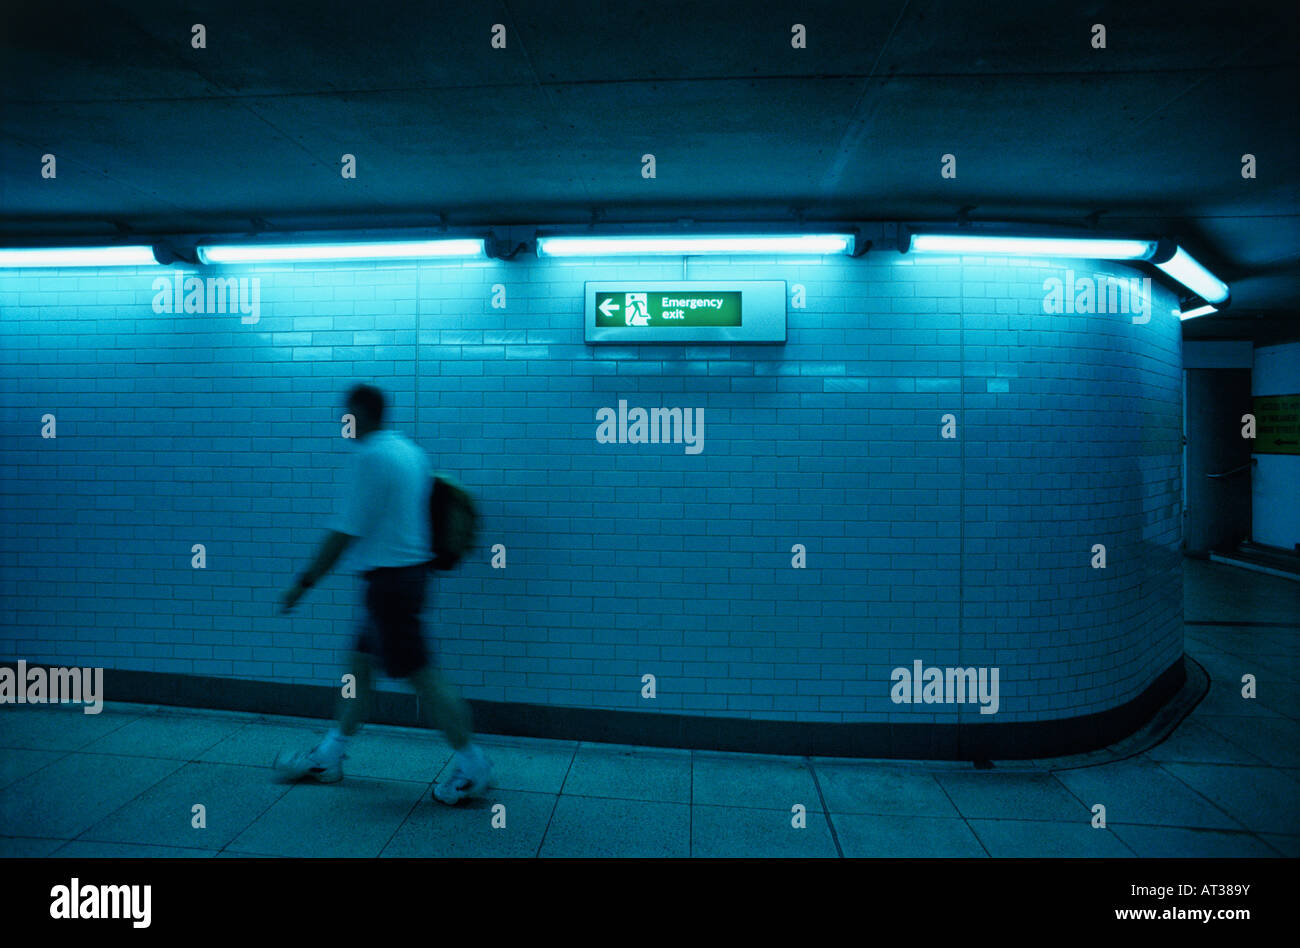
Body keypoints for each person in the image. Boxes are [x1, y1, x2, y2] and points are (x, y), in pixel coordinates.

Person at [274, 383, 492, 804]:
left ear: (363, 414)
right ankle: (329, 756)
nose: (343, 422)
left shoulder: (370, 457)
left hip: (391, 587)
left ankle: (474, 764)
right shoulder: (410, 451)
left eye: (347, 415)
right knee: (358, 668)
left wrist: (301, 584)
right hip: (402, 579)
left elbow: (342, 533)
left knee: (423, 678)